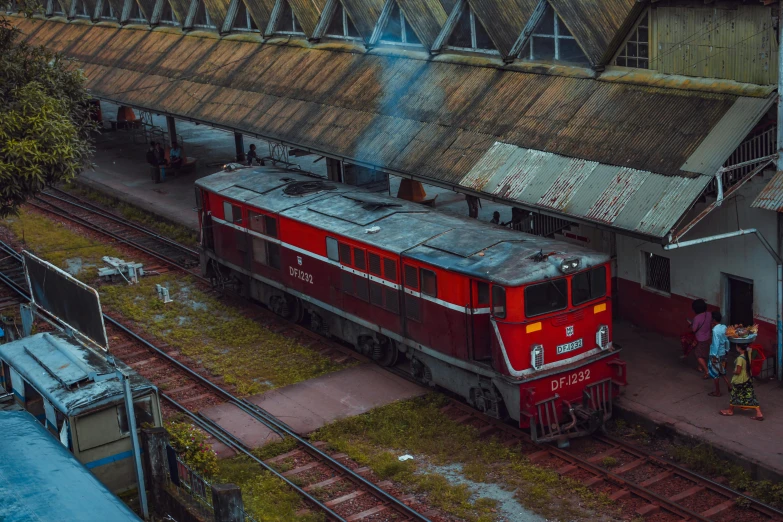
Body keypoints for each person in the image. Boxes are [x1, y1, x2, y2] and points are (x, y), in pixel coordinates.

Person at [720, 343, 764, 421]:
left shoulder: (740, 358)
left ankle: (730, 411)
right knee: (750, 395)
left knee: (734, 394)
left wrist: (733, 371)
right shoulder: (749, 353)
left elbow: (738, 371)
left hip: (740, 380)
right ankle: (759, 413)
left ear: (739, 348)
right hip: (747, 378)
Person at [683, 299, 711, 378]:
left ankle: (707, 371)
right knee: (704, 352)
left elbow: (694, 329)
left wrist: (691, 324)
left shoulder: (697, 318)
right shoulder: (709, 314)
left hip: (700, 339)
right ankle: (700, 367)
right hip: (708, 337)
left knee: (698, 355)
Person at [707, 311, 731, 397]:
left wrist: (713, 356)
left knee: (715, 374)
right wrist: (727, 350)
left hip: (716, 355)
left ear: (713, 320)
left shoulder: (715, 330)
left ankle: (717, 392)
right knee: (722, 370)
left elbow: (715, 344)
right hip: (723, 353)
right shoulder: (724, 327)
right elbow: (727, 340)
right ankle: (729, 384)